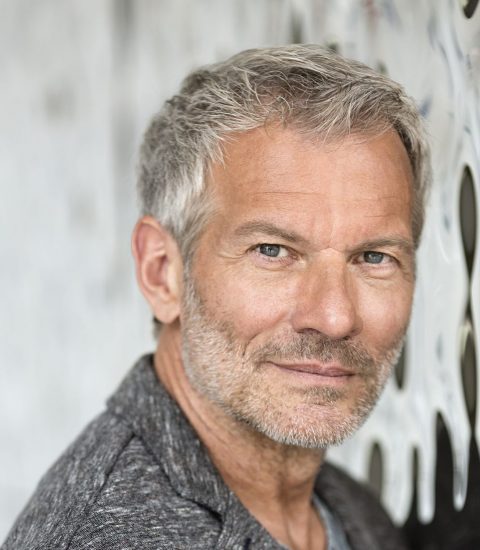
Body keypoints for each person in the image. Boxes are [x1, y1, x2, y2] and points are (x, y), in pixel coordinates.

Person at [3, 44, 431, 550]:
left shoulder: (349, 510)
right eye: (272, 251)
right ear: (162, 272)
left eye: (374, 257)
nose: (335, 317)